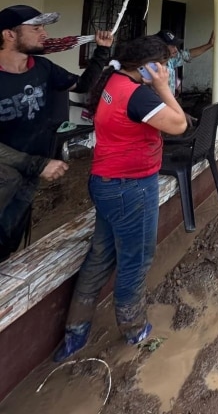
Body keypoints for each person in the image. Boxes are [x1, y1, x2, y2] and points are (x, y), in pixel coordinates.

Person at [52, 35, 187, 361]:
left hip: (106, 182)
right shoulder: (139, 97)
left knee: (101, 254)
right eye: (164, 63)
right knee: (136, 259)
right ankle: (133, 327)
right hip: (132, 188)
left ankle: (76, 331)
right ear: (149, 67)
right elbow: (179, 124)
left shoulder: (114, 80)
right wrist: (164, 86)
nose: (167, 67)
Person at [0, 5, 113, 262]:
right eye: (36, 27)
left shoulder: (43, 68)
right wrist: (39, 163)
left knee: (10, 236)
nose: (44, 33)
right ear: (9, 35)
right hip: (7, 174)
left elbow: (83, 86)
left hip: (31, 173)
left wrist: (102, 52)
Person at [153, 29, 214, 96]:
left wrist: (209, 45)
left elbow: (187, 55)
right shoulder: (152, 66)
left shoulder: (170, 60)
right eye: (172, 46)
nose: (176, 49)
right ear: (161, 47)